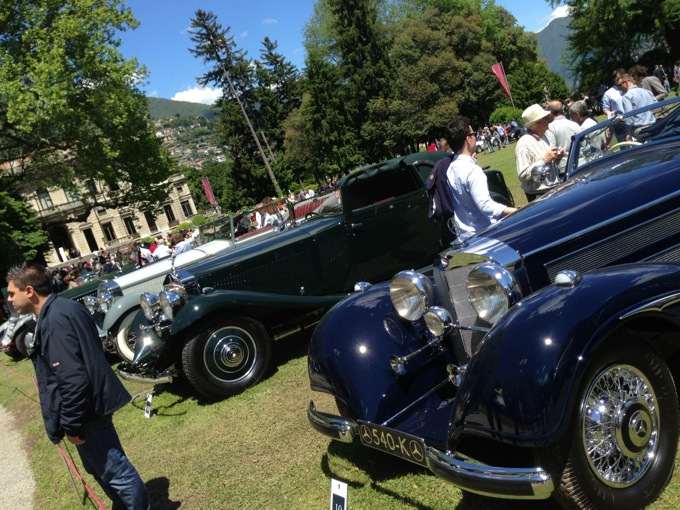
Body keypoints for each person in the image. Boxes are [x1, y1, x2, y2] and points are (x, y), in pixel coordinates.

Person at [5, 264, 150, 510]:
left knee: (116, 472)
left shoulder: (55, 320)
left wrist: (71, 424)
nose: (9, 299)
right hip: (89, 409)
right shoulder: (64, 308)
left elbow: (73, 379)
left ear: (29, 291)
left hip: (87, 413)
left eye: (11, 293)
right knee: (99, 469)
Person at [444, 117, 517, 241]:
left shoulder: (450, 168)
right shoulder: (472, 170)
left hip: (465, 235)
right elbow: (485, 206)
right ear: (468, 139)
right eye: (473, 134)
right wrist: (516, 211)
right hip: (484, 234)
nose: (474, 136)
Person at [515, 104, 564, 202]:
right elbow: (522, 175)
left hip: (554, 189)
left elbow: (550, 165)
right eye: (546, 117)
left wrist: (557, 158)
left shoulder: (545, 137)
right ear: (538, 123)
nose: (549, 119)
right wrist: (544, 160)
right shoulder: (524, 144)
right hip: (539, 196)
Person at [545, 100, 582, 176]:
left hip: (565, 169)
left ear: (550, 113)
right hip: (581, 164)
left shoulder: (551, 127)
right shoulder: (575, 124)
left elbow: (552, 150)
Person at [617, 73, 657, 139]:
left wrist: (628, 133)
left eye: (619, 85)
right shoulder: (647, 92)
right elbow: (657, 107)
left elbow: (629, 118)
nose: (619, 88)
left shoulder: (626, 97)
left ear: (625, 83)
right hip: (654, 126)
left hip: (640, 130)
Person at [602, 69, 627, 143]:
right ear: (614, 79)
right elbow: (605, 109)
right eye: (618, 78)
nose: (621, 80)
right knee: (624, 145)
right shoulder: (609, 93)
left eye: (622, 77)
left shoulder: (628, 89)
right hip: (620, 123)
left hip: (633, 120)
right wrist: (613, 115)